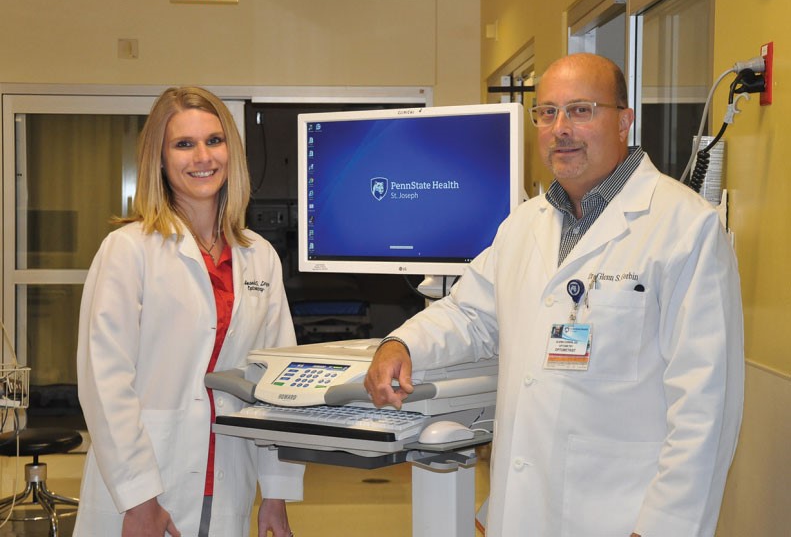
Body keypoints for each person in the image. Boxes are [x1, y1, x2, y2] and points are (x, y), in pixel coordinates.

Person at [364, 53, 744, 537]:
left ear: (624, 121)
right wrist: (402, 345)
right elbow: (469, 314)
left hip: (621, 518)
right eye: (547, 112)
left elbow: (705, 408)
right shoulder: (524, 224)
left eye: (581, 110)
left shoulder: (686, 229)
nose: (560, 127)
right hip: (523, 512)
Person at [75, 87, 304, 537]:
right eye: (184, 144)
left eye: (214, 141)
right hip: (144, 485)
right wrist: (139, 499)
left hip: (229, 478)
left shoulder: (258, 256)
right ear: (159, 159)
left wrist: (275, 493)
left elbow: (278, 383)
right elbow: (105, 384)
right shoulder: (128, 250)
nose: (203, 156)